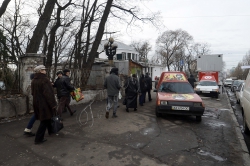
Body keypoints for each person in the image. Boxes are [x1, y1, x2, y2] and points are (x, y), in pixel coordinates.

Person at [31, 65, 57, 144]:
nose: (45, 71)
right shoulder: (44, 80)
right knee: (44, 120)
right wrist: (53, 104)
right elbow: (48, 94)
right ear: (40, 71)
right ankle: (38, 139)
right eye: (43, 69)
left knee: (47, 118)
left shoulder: (34, 80)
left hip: (37, 102)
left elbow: (32, 93)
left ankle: (51, 131)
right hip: (44, 103)